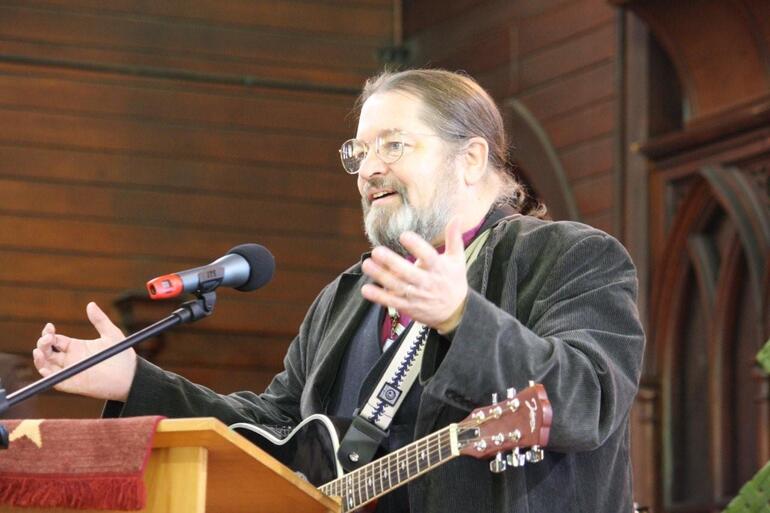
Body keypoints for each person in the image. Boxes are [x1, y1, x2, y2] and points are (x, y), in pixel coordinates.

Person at [33, 69, 645, 513]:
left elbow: (587, 399)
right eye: (361, 151)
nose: (370, 168)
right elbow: (277, 431)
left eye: (394, 145)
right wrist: (134, 381)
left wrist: (462, 316)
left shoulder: (571, 257)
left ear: (471, 158)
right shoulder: (348, 295)